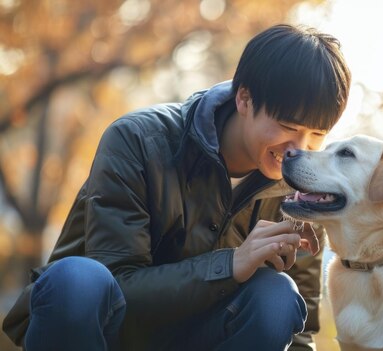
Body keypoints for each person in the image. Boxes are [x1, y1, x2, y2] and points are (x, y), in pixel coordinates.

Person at [2, 24, 351, 350]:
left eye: (317, 135)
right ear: (244, 99)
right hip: (107, 333)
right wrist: (232, 264)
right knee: (77, 280)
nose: (300, 149)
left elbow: (299, 330)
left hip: (202, 336)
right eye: (288, 126)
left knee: (277, 296)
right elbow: (116, 284)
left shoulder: (303, 187)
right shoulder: (138, 141)